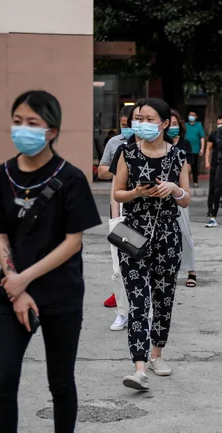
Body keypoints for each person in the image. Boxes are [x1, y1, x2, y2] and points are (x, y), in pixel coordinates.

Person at [0, 90, 101, 433]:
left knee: (60, 382)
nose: (23, 129)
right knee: (2, 379)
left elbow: (72, 241)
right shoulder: (1, 175)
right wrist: (15, 286)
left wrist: (24, 280)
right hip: (13, 295)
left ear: (52, 129)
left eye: (32, 123)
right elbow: (0, 233)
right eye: (17, 122)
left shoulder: (72, 178)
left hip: (61, 295)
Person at [114, 98, 191, 391]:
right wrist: (135, 192)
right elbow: (117, 194)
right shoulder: (127, 152)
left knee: (163, 296)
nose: (141, 123)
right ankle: (139, 367)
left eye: (148, 118)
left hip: (168, 236)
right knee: (137, 300)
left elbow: (186, 198)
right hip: (132, 233)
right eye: (138, 118)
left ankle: (157, 354)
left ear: (164, 124)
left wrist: (174, 188)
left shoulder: (178, 155)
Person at [100, 101, 144, 316]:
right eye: (125, 124)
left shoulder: (150, 145)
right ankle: (121, 308)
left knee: (140, 258)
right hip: (119, 208)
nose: (129, 127)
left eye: (134, 122)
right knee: (119, 258)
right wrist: (121, 170)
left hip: (144, 211)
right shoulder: (115, 144)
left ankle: (140, 306)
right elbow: (102, 172)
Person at [170, 109, 198, 288]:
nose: (172, 127)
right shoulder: (159, 143)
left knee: (184, 232)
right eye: (169, 124)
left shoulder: (184, 144)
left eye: (175, 124)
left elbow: (186, 168)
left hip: (179, 192)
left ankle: (191, 270)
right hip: (160, 193)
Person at [205, 115, 222, 217]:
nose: (220, 125)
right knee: (213, 188)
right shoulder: (213, 134)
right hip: (216, 164)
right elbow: (208, 149)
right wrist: (207, 161)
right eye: (218, 123)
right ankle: (211, 208)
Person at [185, 110, 205, 188]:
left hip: (195, 149)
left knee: (195, 167)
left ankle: (195, 181)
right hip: (186, 150)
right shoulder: (185, 125)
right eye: (190, 115)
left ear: (196, 117)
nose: (191, 116)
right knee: (186, 167)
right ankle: (185, 182)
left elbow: (202, 137)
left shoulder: (199, 125)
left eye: (193, 115)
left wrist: (202, 148)